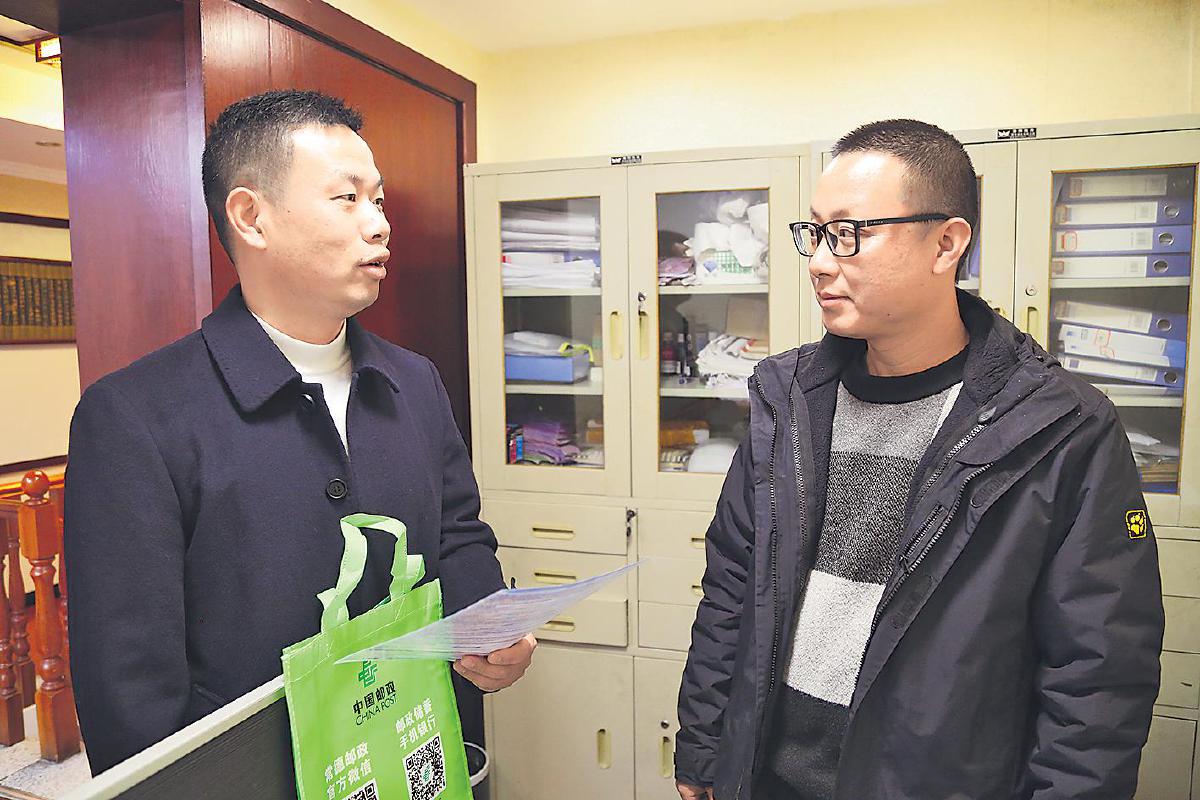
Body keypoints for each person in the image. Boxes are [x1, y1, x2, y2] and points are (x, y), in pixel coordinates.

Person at [675, 118, 1164, 800]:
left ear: (946, 243)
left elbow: (1098, 671)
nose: (819, 261)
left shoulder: (1060, 427)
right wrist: (703, 750)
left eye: (849, 232)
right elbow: (731, 590)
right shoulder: (787, 399)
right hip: (767, 776)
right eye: (815, 232)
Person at [64, 90, 535, 775]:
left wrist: (488, 624)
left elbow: (458, 533)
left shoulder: (415, 381)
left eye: (379, 200)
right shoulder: (135, 416)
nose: (379, 225)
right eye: (348, 199)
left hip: (416, 751)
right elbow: (129, 689)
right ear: (251, 217)